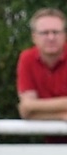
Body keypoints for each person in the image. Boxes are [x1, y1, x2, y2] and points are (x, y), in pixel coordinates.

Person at [17, 8, 67, 140]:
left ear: (64, 35)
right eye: (45, 33)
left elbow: (31, 107)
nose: (51, 37)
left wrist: (40, 107)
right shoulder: (27, 58)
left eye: (56, 32)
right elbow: (26, 110)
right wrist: (62, 115)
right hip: (51, 145)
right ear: (34, 37)